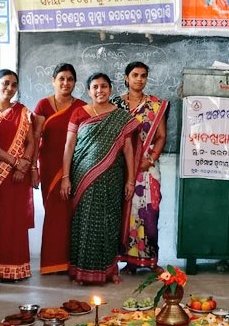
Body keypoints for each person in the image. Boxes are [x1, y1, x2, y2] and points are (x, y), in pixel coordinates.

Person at [60, 73, 138, 284]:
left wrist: (131, 180)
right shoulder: (78, 113)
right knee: (84, 223)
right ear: (88, 91)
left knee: (109, 222)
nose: (99, 91)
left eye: (104, 86)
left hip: (113, 178)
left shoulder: (121, 117)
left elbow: (129, 150)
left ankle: (109, 271)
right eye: (95, 87)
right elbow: (69, 146)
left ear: (110, 90)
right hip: (83, 177)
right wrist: (66, 177)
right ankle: (81, 271)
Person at [0, 69, 36, 281]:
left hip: (18, 175)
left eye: (14, 84)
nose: (9, 88)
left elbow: (31, 141)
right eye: (5, 83)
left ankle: (17, 268)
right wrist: (14, 161)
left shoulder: (23, 111)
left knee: (16, 221)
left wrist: (24, 163)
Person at [33, 63, 87, 275]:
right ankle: (52, 263)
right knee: (53, 213)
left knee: (69, 214)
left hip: (73, 167)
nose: (66, 83)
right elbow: (36, 137)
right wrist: (33, 168)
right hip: (47, 165)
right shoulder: (43, 105)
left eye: (70, 79)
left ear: (75, 82)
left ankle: (69, 262)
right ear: (53, 80)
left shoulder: (82, 107)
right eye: (62, 79)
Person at [115, 62, 168, 273]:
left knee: (150, 213)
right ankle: (130, 262)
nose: (139, 79)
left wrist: (151, 159)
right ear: (126, 78)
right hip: (122, 167)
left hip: (148, 168)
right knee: (126, 214)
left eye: (143, 75)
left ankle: (151, 261)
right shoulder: (115, 104)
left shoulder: (156, 105)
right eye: (135, 75)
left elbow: (162, 136)